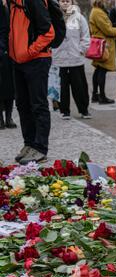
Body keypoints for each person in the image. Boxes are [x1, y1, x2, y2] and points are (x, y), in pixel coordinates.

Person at [9, 0, 55, 164]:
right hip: (19, 61)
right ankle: (29, 144)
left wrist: (29, 52)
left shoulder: (33, 1)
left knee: (38, 104)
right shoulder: (13, 3)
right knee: (22, 104)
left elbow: (49, 33)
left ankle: (40, 148)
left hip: (36, 60)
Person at [53, 0, 91, 120]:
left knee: (79, 86)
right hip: (59, 58)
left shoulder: (79, 17)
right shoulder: (53, 17)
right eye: (62, 1)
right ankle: (64, 110)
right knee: (61, 87)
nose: (65, 3)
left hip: (76, 58)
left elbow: (85, 35)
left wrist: (81, 50)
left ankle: (84, 110)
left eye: (67, 1)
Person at [90, 0, 116, 104]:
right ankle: (102, 97)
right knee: (102, 69)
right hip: (104, 45)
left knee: (98, 69)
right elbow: (107, 29)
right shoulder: (98, 12)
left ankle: (95, 95)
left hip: (100, 44)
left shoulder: (97, 11)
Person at [0, 0, 16, 130]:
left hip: (7, 51)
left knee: (9, 85)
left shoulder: (8, 6)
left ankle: (9, 117)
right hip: (3, 49)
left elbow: (7, 29)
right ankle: (0, 119)